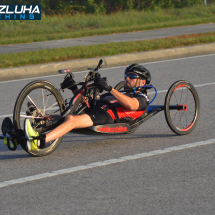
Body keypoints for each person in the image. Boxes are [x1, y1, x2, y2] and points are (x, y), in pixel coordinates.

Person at [25, 63, 151, 151]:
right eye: (126, 76)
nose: (127, 78)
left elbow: (131, 105)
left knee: (71, 120)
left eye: (132, 76)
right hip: (96, 110)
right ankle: (38, 120)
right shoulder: (121, 93)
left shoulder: (143, 98)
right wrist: (74, 88)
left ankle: (39, 142)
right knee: (62, 117)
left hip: (107, 116)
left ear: (143, 81)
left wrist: (109, 88)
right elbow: (89, 101)